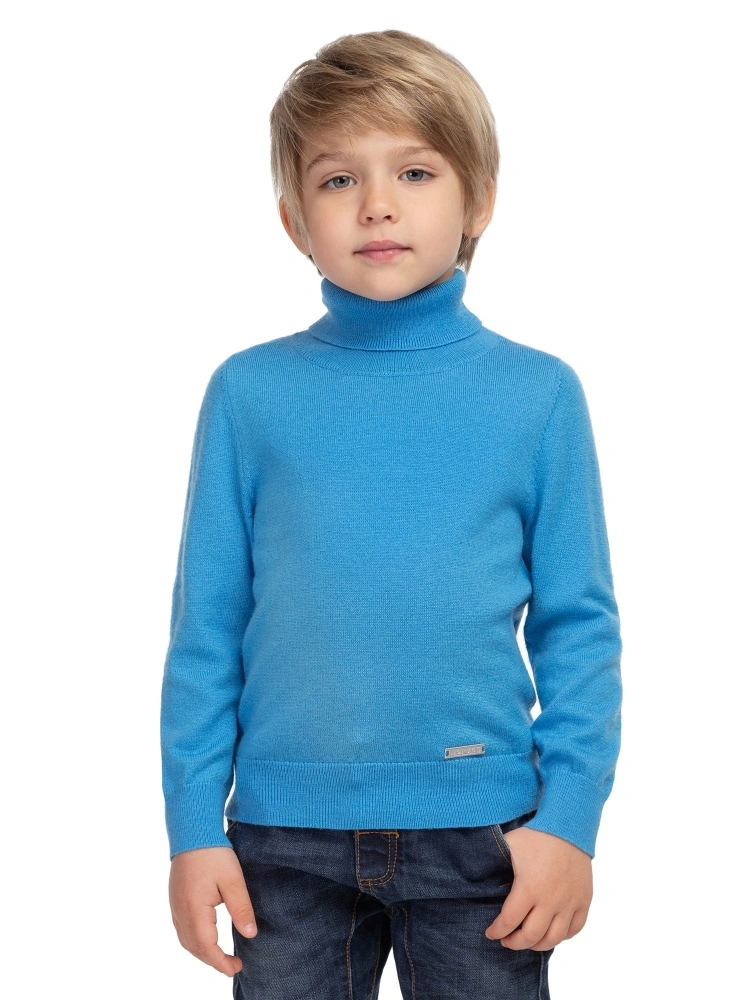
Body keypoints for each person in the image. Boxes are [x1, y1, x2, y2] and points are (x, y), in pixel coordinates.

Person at [160, 28, 623, 1000]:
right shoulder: (249, 393)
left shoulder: (538, 395)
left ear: (478, 200)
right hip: (280, 842)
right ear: (294, 220)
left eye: (414, 171)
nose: (376, 203)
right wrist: (194, 827)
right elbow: (206, 628)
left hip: (486, 836)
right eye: (338, 179)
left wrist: (569, 822)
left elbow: (579, 627)